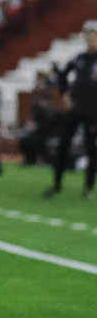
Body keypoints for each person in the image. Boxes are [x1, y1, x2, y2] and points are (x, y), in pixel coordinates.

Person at [43, 21, 97, 200]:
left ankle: (88, 187)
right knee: (63, 144)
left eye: (94, 35)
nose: (91, 39)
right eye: (88, 35)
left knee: (91, 150)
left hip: (93, 113)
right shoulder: (79, 58)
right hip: (76, 109)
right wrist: (65, 94)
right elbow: (63, 75)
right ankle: (56, 184)